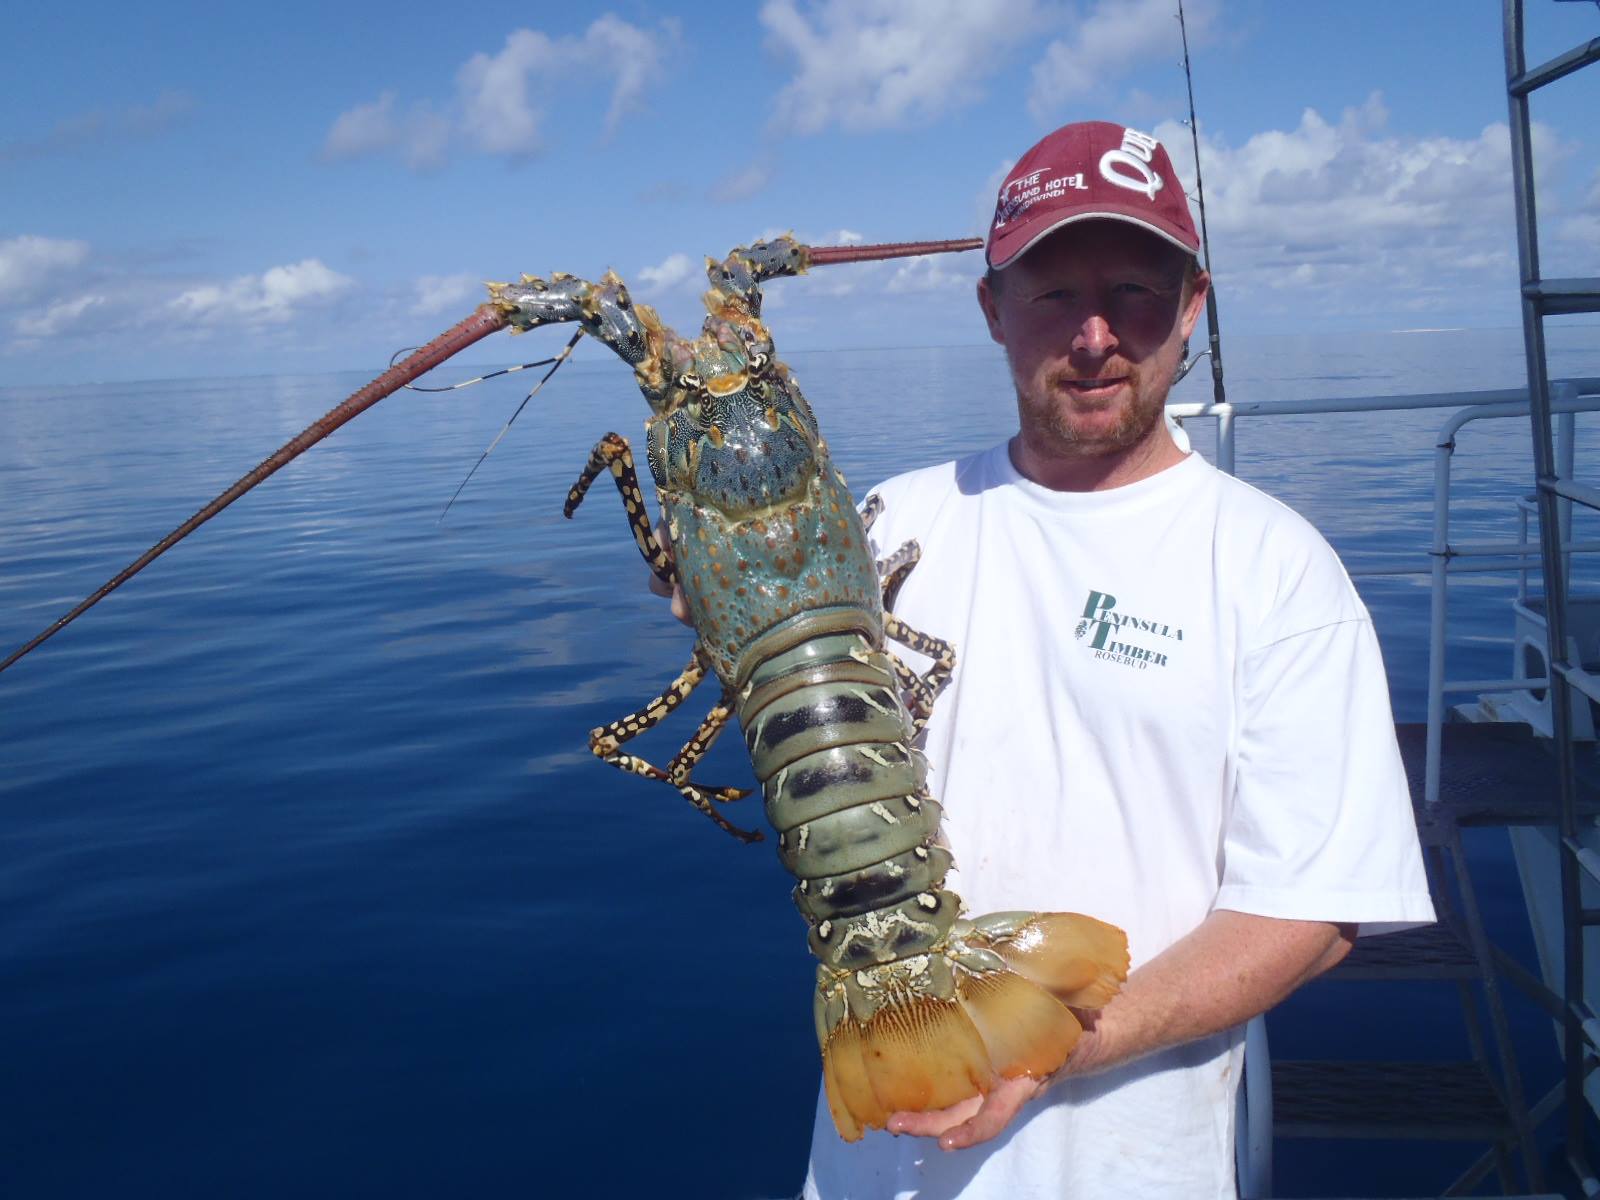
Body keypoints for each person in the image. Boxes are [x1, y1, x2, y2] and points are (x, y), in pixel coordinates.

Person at [791, 121, 1437, 1199]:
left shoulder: (1275, 568)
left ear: (1192, 305)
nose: (1094, 334)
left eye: (1134, 290)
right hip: (863, 1158)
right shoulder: (880, 523)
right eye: (1051, 295)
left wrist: (1054, 1046)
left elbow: (1314, 913)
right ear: (992, 310)